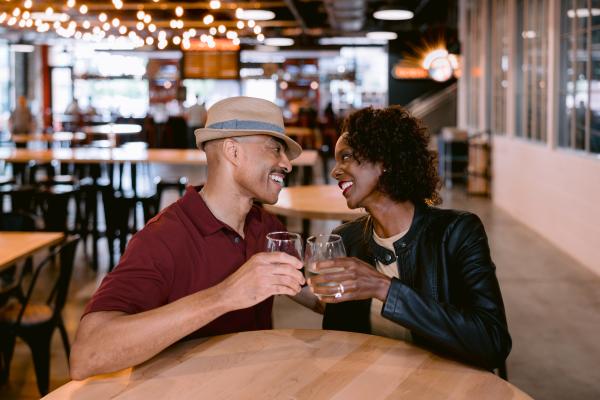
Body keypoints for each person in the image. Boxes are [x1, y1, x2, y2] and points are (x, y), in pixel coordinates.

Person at [70, 96, 305, 379]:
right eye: (275, 148)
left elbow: (305, 285)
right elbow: (88, 354)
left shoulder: (265, 226)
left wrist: (340, 285)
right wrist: (225, 295)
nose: (287, 163)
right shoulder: (163, 238)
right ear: (233, 151)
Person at [308, 105, 511, 370]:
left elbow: (492, 342)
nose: (336, 171)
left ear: (385, 162)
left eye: (346, 157)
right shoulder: (347, 238)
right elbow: (341, 328)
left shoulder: (457, 232)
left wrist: (384, 287)